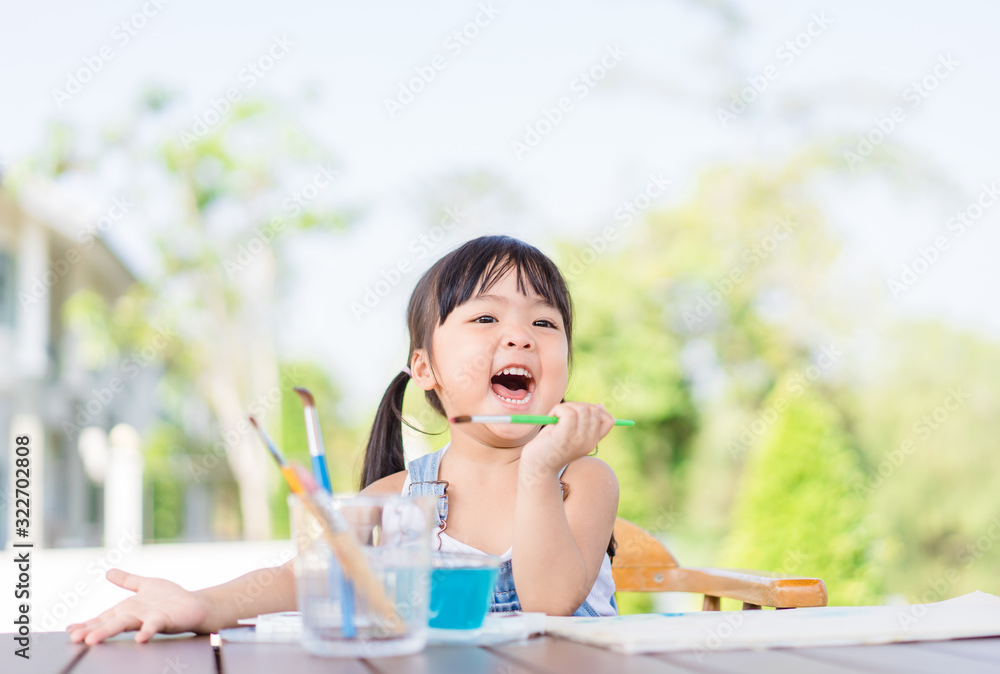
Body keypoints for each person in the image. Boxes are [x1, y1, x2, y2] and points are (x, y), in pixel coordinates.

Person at [68, 234, 619, 645]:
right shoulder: (397, 496)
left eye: (545, 324)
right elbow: (297, 579)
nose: (520, 336)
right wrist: (201, 604)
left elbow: (551, 603)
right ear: (425, 368)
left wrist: (540, 470)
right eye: (485, 318)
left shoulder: (583, 480)